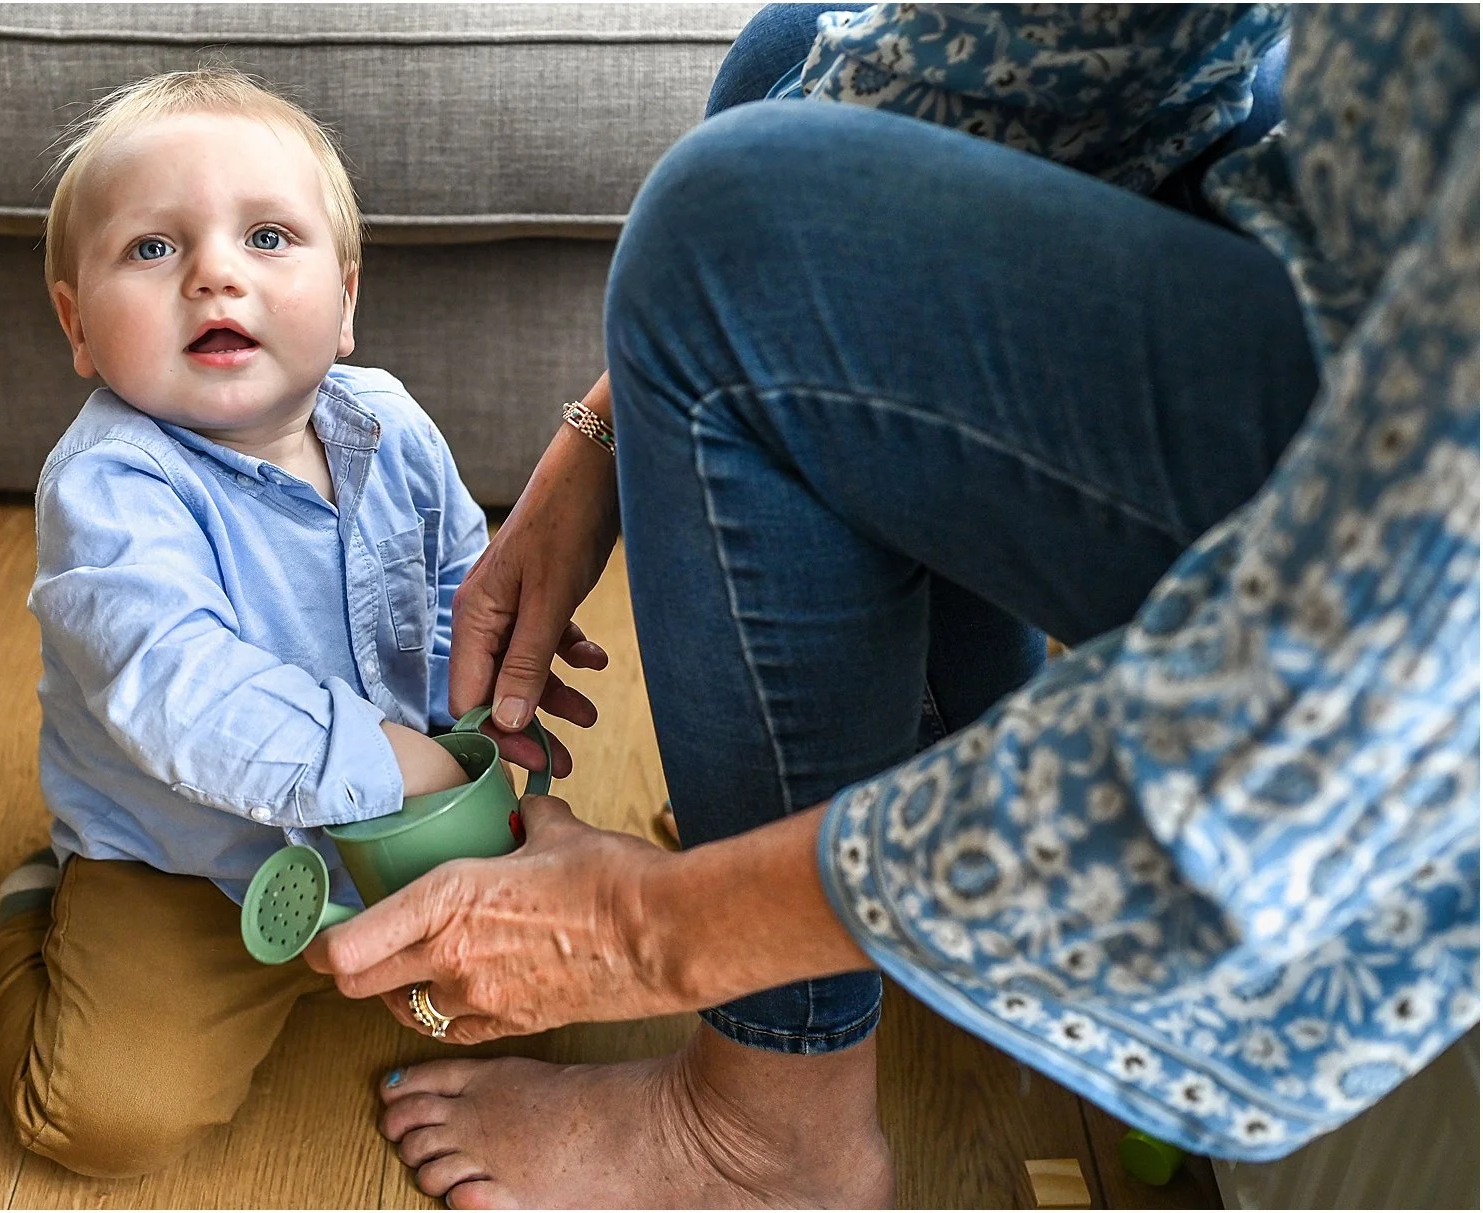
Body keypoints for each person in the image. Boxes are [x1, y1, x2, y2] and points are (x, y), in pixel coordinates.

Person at [308, 5, 1480, 1208]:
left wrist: (646, 932)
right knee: (793, 60)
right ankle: (913, 776)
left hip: (1430, 571)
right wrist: (609, 429)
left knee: (736, 229)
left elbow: (1343, 712)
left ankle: (770, 1136)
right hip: (1395, 282)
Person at [0, 65, 491, 1177]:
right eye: (153, 249)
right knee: (105, 1119)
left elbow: (456, 580)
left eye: (266, 237)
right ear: (75, 321)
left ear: (345, 299)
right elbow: (179, 682)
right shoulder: (109, 489)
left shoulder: (391, 425)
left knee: (554, 998)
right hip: (188, 866)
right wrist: (388, 764)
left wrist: (490, 707)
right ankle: (31, 916)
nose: (213, 273)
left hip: (397, 823)